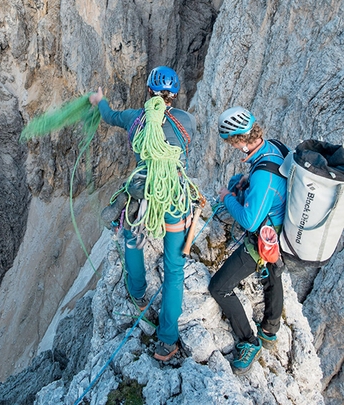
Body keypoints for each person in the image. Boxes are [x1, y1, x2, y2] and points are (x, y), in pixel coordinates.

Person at [89, 66, 197, 362]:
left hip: (142, 197)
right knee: (174, 270)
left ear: (147, 91)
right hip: (173, 198)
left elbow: (110, 116)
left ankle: (137, 294)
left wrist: (99, 100)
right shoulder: (187, 121)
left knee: (131, 239)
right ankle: (166, 341)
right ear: (174, 95)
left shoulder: (134, 119)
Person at [209, 107, 287, 375]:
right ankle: (270, 329)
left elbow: (250, 222)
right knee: (272, 273)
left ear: (239, 142)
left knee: (219, 288)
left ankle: (248, 341)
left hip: (262, 239)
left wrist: (225, 197)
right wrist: (247, 179)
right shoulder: (272, 147)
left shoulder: (263, 175)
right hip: (278, 227)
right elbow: (270, 178)